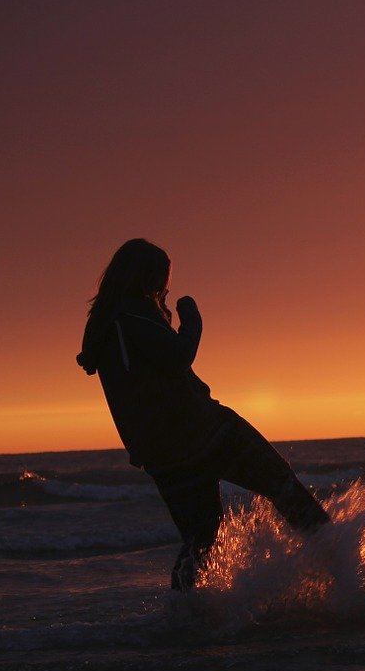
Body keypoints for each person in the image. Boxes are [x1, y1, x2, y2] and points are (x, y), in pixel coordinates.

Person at [76, 239, 329, 590]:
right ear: (147, 276)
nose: (166, 286)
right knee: (283, 486)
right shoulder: (131, 316)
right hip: (205, 430)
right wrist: (190, 314)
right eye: (163, 277)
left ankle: (186, 616)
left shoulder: (105, 325)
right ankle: (342, 568)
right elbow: (180, 355)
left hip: (162, 453)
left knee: (201, 539)